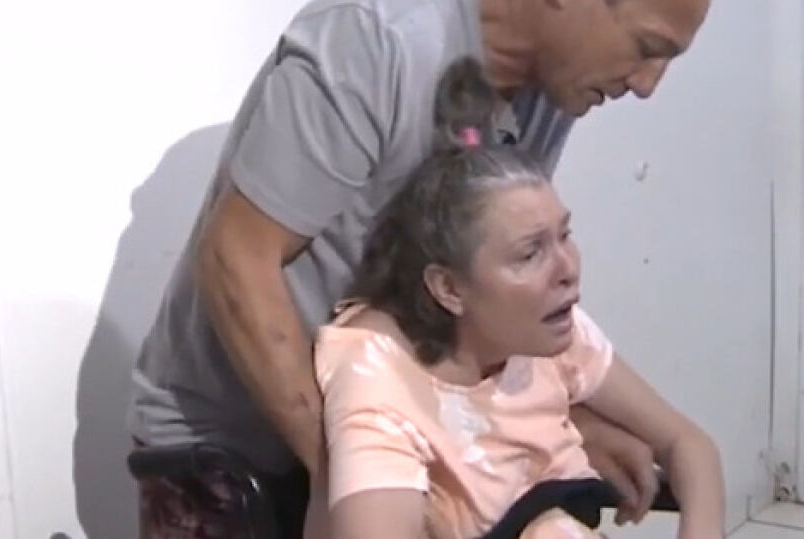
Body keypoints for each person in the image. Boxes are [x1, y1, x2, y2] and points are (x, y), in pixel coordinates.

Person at [127, 0, 715, 537]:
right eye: (646, 47)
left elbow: (472, 297)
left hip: (381, 433)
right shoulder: (380, 37)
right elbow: (237, 261)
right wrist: (359, 467)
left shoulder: (548, 94)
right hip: (238, 449)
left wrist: (559, 429)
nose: (646, 85)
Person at [302, 59, 724, 539]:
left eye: (565, 235)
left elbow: (691, 446)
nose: (567, 269)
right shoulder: (377, 374)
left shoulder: (550, 332)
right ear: (449, 288)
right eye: (530, 254)